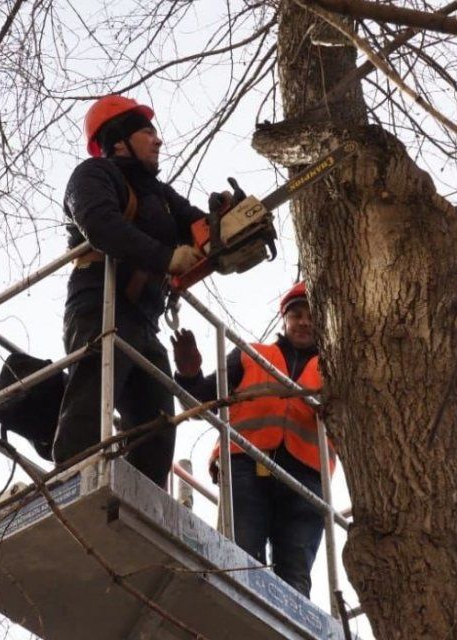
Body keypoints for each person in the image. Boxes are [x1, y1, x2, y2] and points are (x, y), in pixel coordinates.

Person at [51, 95, 206, 488]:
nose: (158, 141)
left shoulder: (160, 196)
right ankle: (72, 483)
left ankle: (141, 501)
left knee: (157, 422)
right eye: (147, 132)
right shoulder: (93, 175)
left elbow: (197, 224)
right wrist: (165, 256)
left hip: (143, 321)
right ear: (118, 139)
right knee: (91, 400)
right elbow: (100, 224)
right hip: (99, 304)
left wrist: (226, 223)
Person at [171, 281, 336, 597]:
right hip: (246, 466)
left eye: (311, 316)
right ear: (285, 320)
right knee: (240, 560)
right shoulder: (251, 355)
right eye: (297, 314)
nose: (303, 321)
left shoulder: (335, 371)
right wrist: (190, 374)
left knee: (296, 578)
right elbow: (198, 406)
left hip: (307, 480)